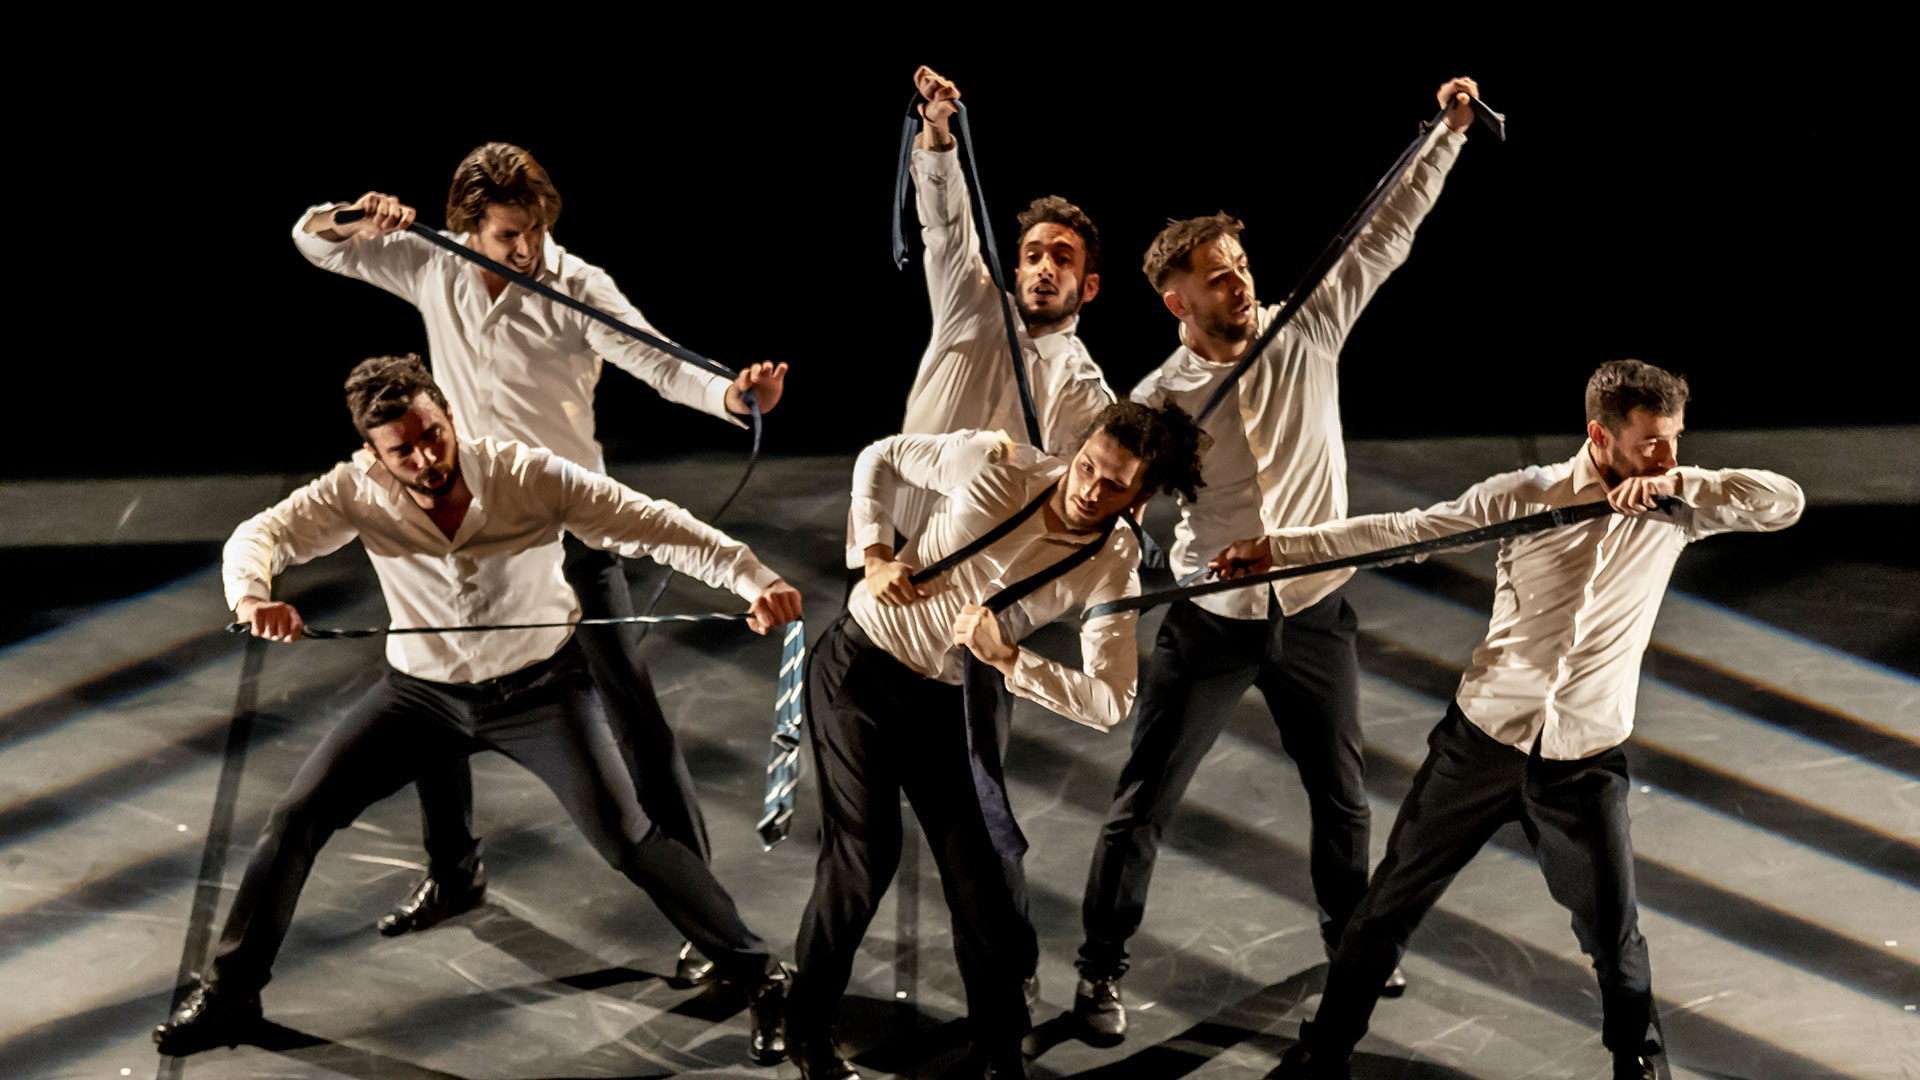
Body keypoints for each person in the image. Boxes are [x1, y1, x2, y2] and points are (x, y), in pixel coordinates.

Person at [154, 355, 802, 1063]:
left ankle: (763, 976)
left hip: (542, 691)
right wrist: (253, 596)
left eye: (432, 435)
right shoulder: (353, 491)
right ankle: (231, 994)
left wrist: (755, 580)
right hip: (421, 696)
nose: (425, 458)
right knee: (295, 818)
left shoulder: (527, 474)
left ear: (450, 417)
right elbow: (260, 536)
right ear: (373, 454)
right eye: (403, 450)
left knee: (627, 839)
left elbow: (655, 524)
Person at [293, 143, 786, 982]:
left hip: (565, 525)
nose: (524, 248)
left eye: (533, 230)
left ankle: (704, 916)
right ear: (468, 228)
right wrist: (356, 217)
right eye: (506, 234)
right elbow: (313, 241)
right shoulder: (431, 263)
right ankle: (454, 873)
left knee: (632, 714)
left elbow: (657, 359)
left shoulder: (577, 286)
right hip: (466, 524)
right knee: (436, 694)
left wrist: (732, 396)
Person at [1249, 360, 1804, 1080]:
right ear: (1599, 436)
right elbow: (1406, 532)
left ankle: (1635, 1057)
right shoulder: (1526, 494)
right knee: (1388, 905)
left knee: (1613, 931)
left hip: (1584, 761)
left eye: (1674, 438)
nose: (1667, 454)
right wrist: (1278, 551)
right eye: (1650, 442)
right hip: (1481, 742)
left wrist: (1678, 484)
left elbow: (1784, 502)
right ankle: (1324, 1051)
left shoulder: (1678, 504)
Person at [1071, 77, 1482, 1039]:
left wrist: (1446, 135)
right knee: (1143, 805)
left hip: (1314, 615)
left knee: (1342, 800)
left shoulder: (1308, 327)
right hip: (1210, 624)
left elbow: (1384, 234)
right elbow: (1104, 496)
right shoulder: (1158, 399)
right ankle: (1100, 968)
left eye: (1241, 266)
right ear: (1175, 298)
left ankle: (1353, 939)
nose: (1240, 283)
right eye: (1217, 277)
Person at [791, 403, 1208, 1080]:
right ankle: (807, 1027)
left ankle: (998, 1053)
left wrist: (1011, 659)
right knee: (865, 856)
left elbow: (1110, 701)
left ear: (1141, 498)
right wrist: (873, 555)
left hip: (950, 704)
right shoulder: (993, 461)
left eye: (1113, 485)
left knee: (983, 880)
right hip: (860, 671)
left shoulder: (1113, 562)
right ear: (1077, 451)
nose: (1089, 490)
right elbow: (880, 457)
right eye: (1086, 467)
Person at [892, 64, 1116, 523]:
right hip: (896, 542)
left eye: (1062, 259)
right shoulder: (970, 303)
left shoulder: (1087, 394)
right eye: (1033, 257)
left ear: (1089, 286)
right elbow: (946, 225)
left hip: (989, 559)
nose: (1044, 269)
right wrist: (937, 129)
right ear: (1017, 271)